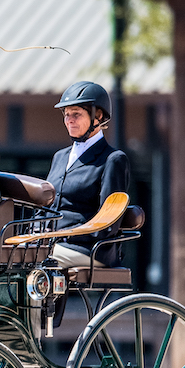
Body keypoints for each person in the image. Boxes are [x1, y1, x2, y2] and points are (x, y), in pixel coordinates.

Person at [45, 81, 130, 270]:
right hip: (54, 243)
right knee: (11, 255)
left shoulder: (112, 159)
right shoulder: (60, 157)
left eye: (76, 114)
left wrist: (66, 234)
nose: (69, 120)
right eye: (66, 115)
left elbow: (109, 220)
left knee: (38, 258)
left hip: (90, 248)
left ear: (97, 116)